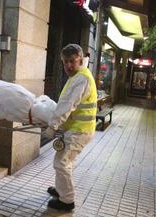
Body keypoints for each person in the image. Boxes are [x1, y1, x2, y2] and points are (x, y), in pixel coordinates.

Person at [44, 44, 97, 211]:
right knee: (65, 162)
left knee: (61, 163)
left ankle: (66, 200)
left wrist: (53, 126)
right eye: (65, 61)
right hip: (77, 129)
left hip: (79, 131)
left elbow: (67, 105)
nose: (68, 65)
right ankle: (62, 190)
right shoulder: (78, 75)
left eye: (72, 61)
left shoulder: (81, 78)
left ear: (80, 60)